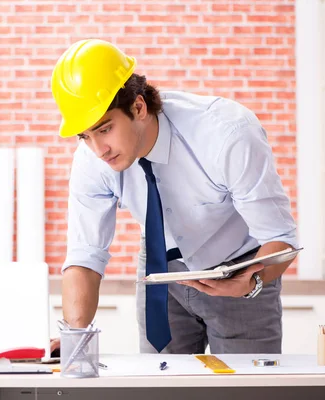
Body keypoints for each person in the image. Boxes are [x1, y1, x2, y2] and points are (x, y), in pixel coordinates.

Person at [50, 39, 298, 355]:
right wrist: (75, 337)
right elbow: (86, 254)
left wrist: (254, 281)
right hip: (161, 269)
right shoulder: (92, 160)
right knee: (161, 386)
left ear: (138, 107)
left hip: (242, 269)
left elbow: (281, 239)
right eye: (85, 136)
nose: (98, 149)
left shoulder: (227, 134)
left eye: (105, 129)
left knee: (244, 389)